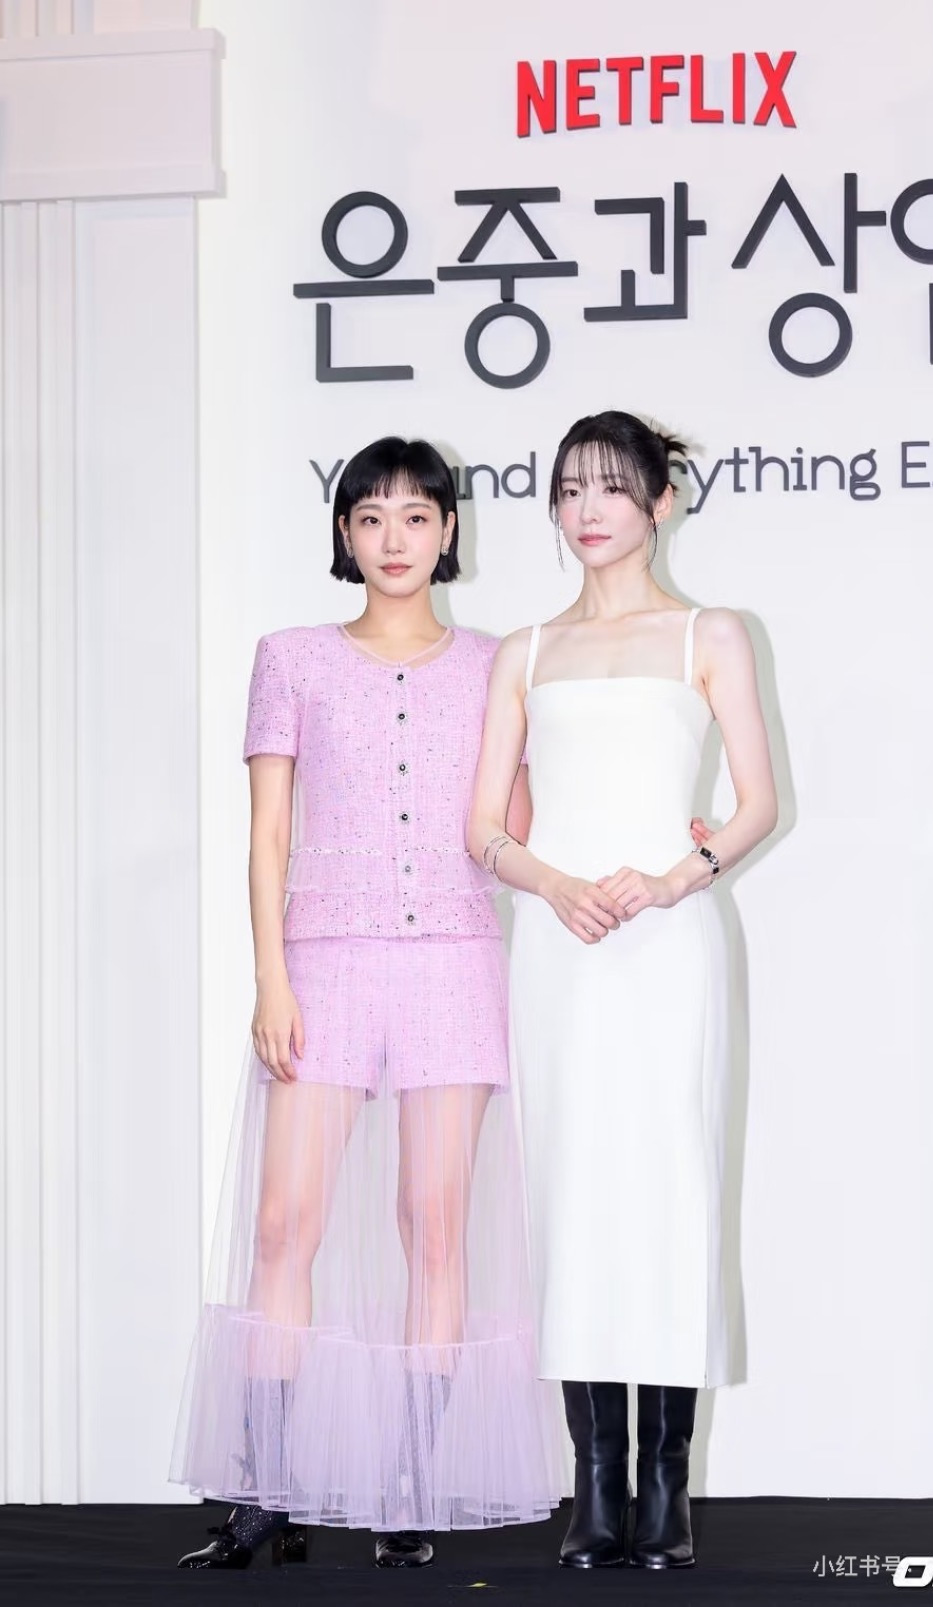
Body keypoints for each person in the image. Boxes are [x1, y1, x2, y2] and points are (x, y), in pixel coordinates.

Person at [171, 437, 562, 1569]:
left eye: (417, 516)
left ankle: (411, 1485)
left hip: (453, 959)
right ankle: (266, 1491)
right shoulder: (290, 657)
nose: (396, 538)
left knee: (433, 1226)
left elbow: (512, 832)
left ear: (450, 531)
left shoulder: (497, 663)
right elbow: (267, 834)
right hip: (325, 961)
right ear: (343, 533)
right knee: (284, 1221)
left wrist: (532, 753)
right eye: (372, 517)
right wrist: (272, 977)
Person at [468, 410, 779, 1570]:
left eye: (610, 485)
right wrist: (555, 886)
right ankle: (595, 1486)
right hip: (562, 951)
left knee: (670, 1190)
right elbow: (483, 827)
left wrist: (672, 878)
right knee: (574, 1194)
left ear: (661, 499)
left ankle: (667, 1486)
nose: (587, 508)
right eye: (569, 488)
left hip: (670, 944)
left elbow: (757, 802)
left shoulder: (712, 632)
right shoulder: (524, 650)